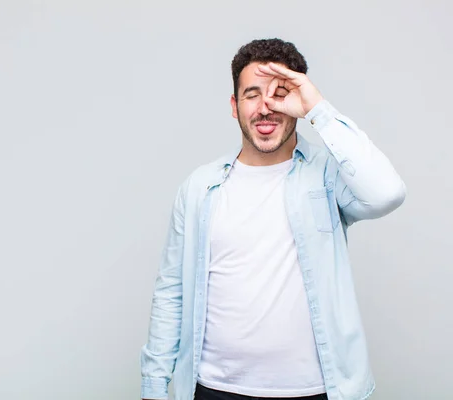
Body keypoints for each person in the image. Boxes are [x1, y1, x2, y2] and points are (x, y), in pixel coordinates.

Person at [140, 38, 406, 400]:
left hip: (314, 391)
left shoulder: (327, 176)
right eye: (252, 94)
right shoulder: (199, 187)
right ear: (235, 106)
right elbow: (171, 292)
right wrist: (154, 387)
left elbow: (386, 192)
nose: (265, 108)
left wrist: (318, 109)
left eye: (280, 93)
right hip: (214, 389)